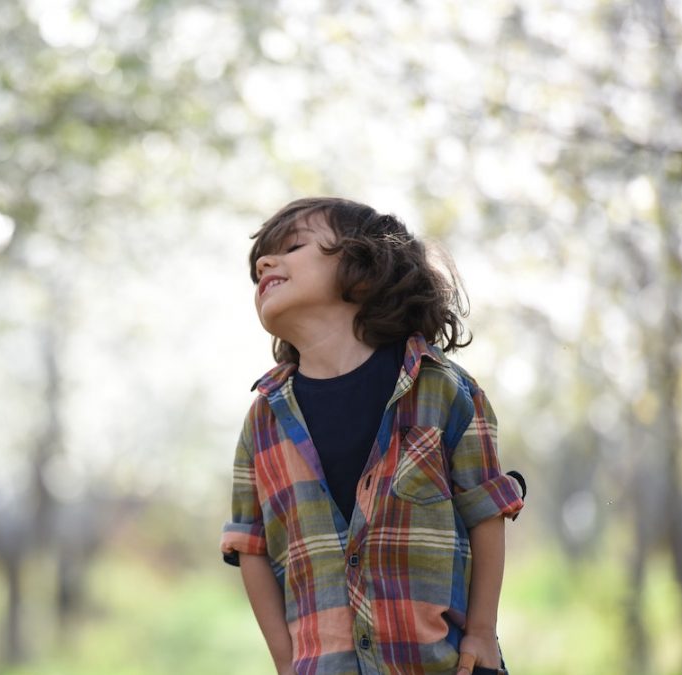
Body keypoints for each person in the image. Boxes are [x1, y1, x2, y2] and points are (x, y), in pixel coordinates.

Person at [220, 198, 526, 675]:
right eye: (259, 262)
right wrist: (287, 662)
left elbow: (486, 509)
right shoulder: (263, 421)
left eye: (293, 246)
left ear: (364, 270)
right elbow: (250, 545)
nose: (264, 263)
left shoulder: (441, 389)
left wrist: (483, 632)